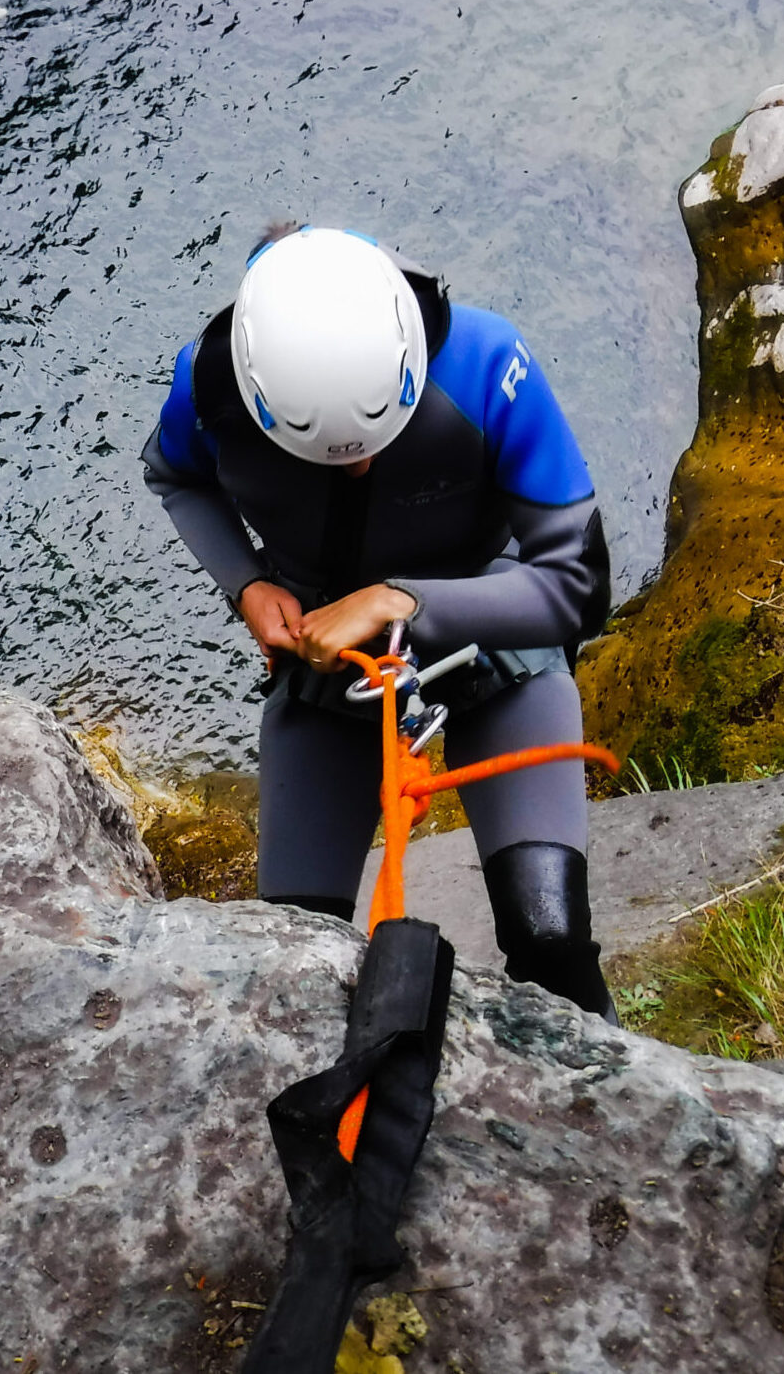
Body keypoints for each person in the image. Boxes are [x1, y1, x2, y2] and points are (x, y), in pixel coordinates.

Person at [142, 225, 616, 1020]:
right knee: (291, 955)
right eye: (323, 453)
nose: (357, 466)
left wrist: (401, 600)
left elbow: (577, 585)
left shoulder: (485, 363)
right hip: (332, 676)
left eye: (372, 441)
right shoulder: (210, 384)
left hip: (496, 646)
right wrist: (250, 587)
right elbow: (172, 476)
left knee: (549, 933)